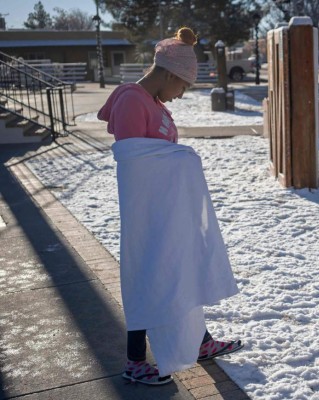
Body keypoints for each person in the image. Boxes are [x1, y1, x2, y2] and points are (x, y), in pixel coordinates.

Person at [98, 27, 242, 385]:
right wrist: (182, 161)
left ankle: (200, 341)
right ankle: (135, 361)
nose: (182, 94)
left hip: (168, 210)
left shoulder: (155, 102)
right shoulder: (132, 100)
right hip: (150, 214)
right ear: (167, 73)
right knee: (148, 278)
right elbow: (136, 165)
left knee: (179, 271)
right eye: (182, 85)